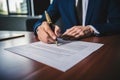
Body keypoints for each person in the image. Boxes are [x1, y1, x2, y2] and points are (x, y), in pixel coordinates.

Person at [33, 0, 120, 43]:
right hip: (68, 47)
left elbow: (117, 23)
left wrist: (91, 29)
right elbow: (43, 20)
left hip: (98, 51)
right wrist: (39, 28)